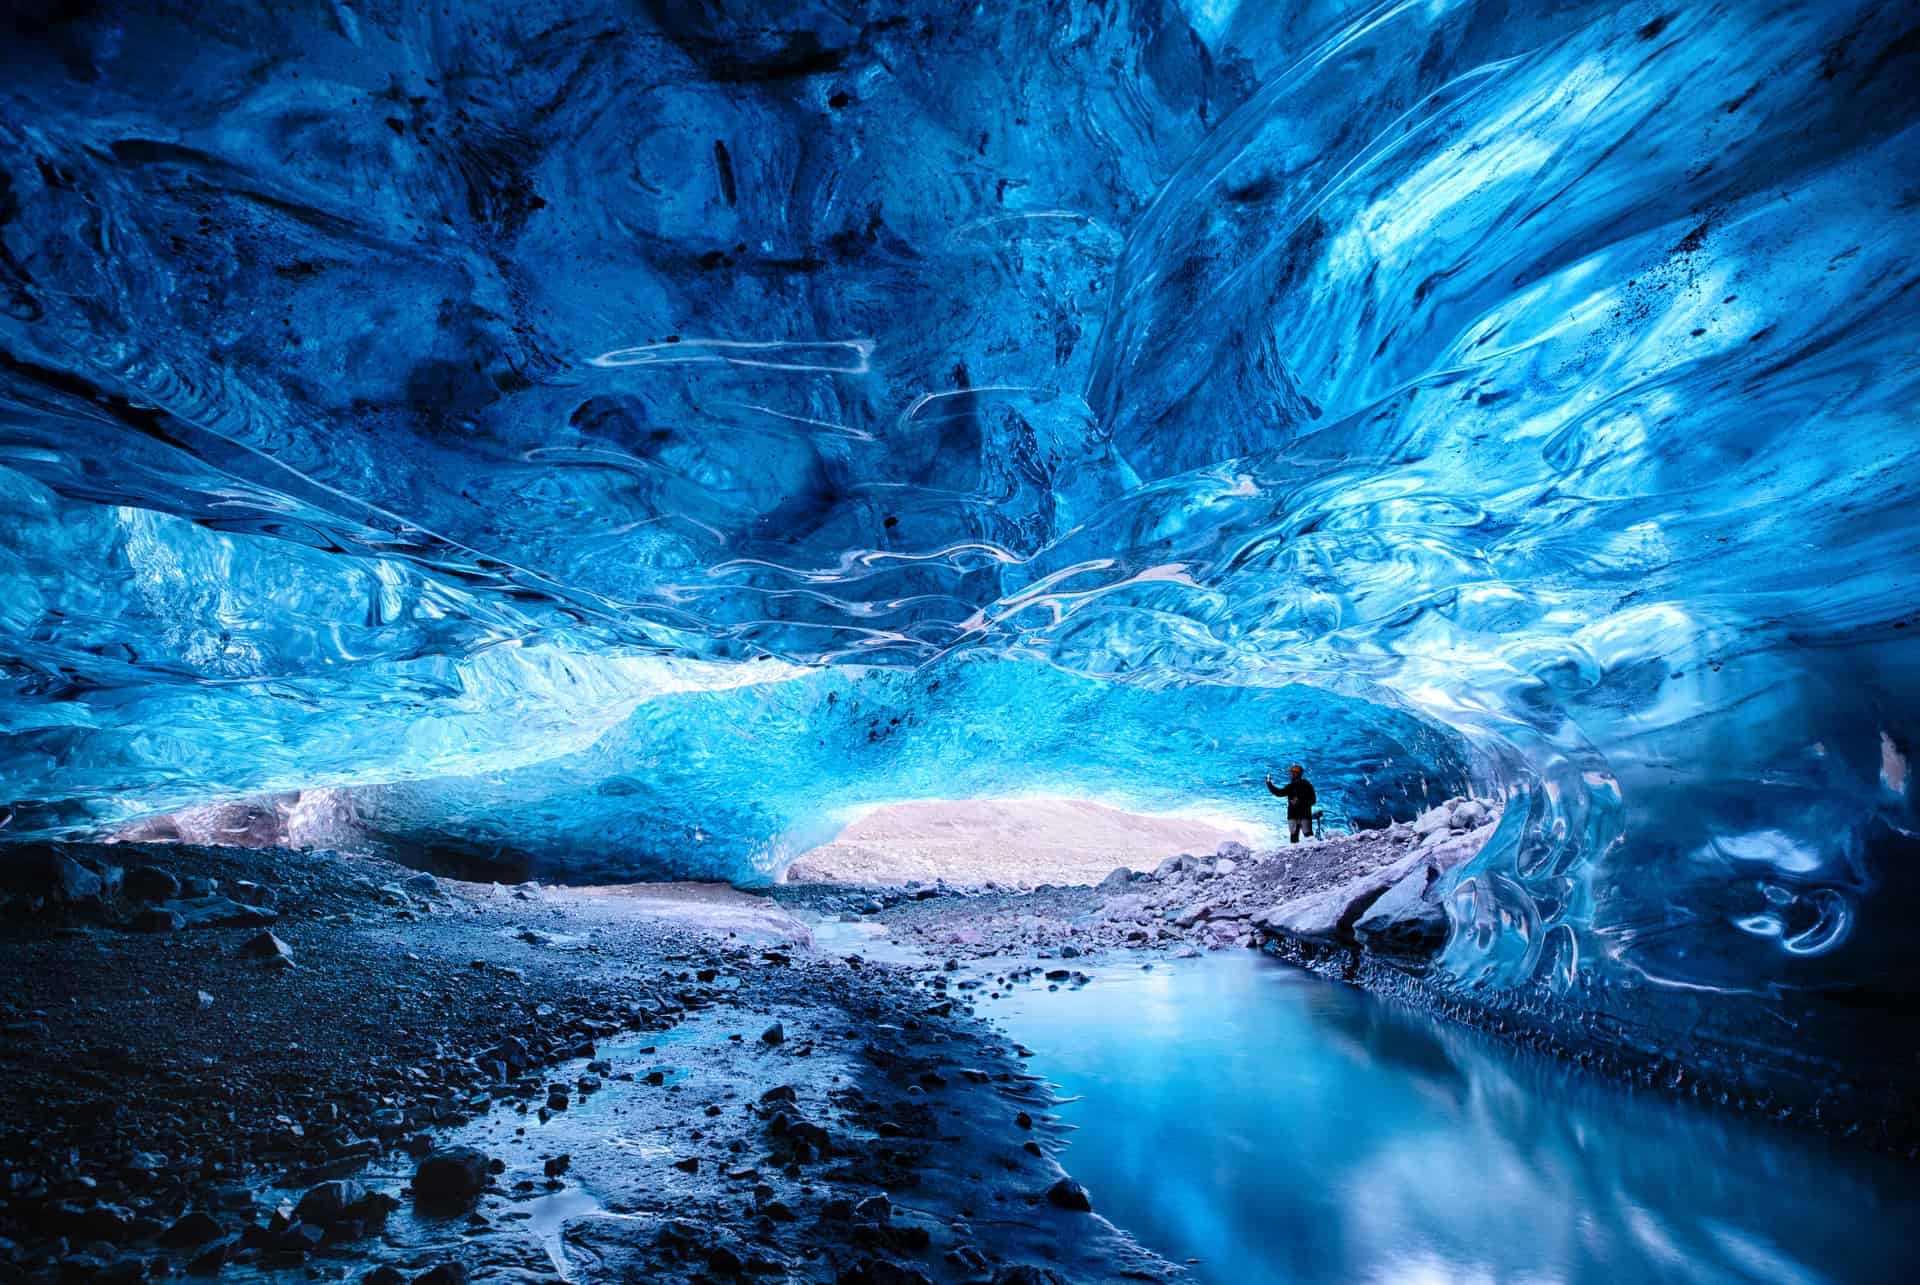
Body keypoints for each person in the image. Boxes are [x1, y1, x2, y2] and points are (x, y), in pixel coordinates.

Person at [1265, 764, 1317, 843]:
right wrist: (1269, 784)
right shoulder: (1292, 786)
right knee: (1300, 836)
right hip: (1296, 815)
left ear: (1296, 774)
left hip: (1302, 815)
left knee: (1305, 836)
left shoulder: (1306, 785)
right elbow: (1279, 793)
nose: (1290, 775)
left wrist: (1300, 801)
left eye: (1291, 773)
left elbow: (1312, 800)